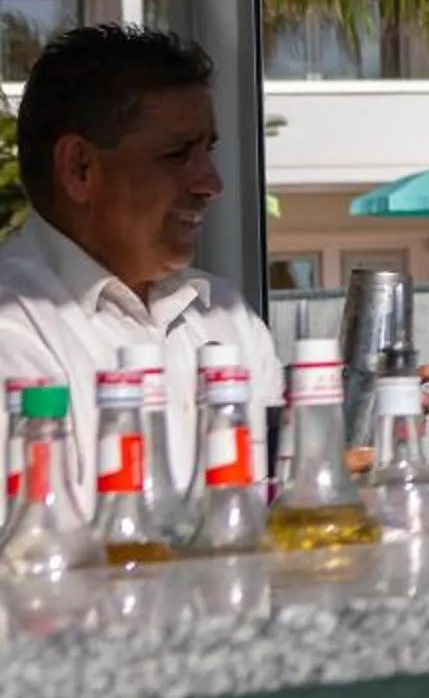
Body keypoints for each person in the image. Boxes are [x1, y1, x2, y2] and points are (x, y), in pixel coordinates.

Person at [0, 24, 282, 483]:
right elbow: (39, 543)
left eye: (207, 150)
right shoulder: (15, 329)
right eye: (176, 154)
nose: (211, 184)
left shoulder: (227, 318)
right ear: (80, 168)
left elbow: (277, 511)